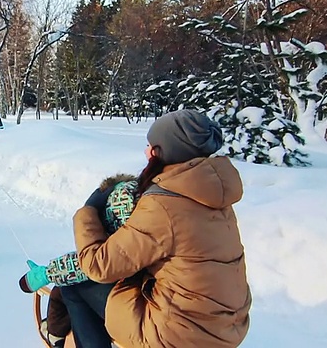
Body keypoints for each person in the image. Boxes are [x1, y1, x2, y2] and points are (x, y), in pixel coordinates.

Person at [62, 110, 251, 348]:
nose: (146, 152)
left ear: (165, 152)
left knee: (76, 285)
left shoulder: (164, 203)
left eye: (151, 146)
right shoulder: (212, 192)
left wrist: (88, 211)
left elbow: (99, 266)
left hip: (180, 335)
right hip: (229, 326)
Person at [18, 175, 139, 348]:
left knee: (75, 286)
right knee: (76, 282)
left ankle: (55, 331)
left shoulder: (124, 202)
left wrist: (47, 273)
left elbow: (98, 262)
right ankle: (56, 330)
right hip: (164, 298)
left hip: (151, 309)